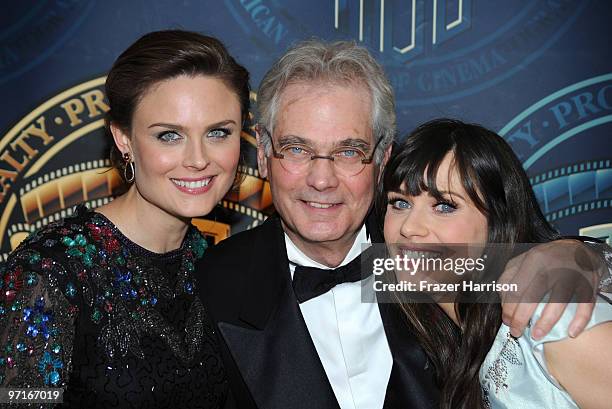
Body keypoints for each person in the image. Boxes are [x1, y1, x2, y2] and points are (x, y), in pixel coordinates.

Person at [198, 40, 608, 409]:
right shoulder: (214, 284)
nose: (321, 180)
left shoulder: (429, 258)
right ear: (264, 153)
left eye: (348, 151)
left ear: (382, 157)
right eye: (297, 149)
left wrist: (578, 254)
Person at [0, 30, 250, 408]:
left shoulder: (214, 263)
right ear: (124, 139)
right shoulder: (50, 270)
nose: (199, 159)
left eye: (218, 132)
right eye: (169, 135)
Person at [381, 118, 612, 409]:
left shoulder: (554, 319)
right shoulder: (443, 337)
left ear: (497, 224)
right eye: (400, 203)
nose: (410, 228)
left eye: (445, 206)